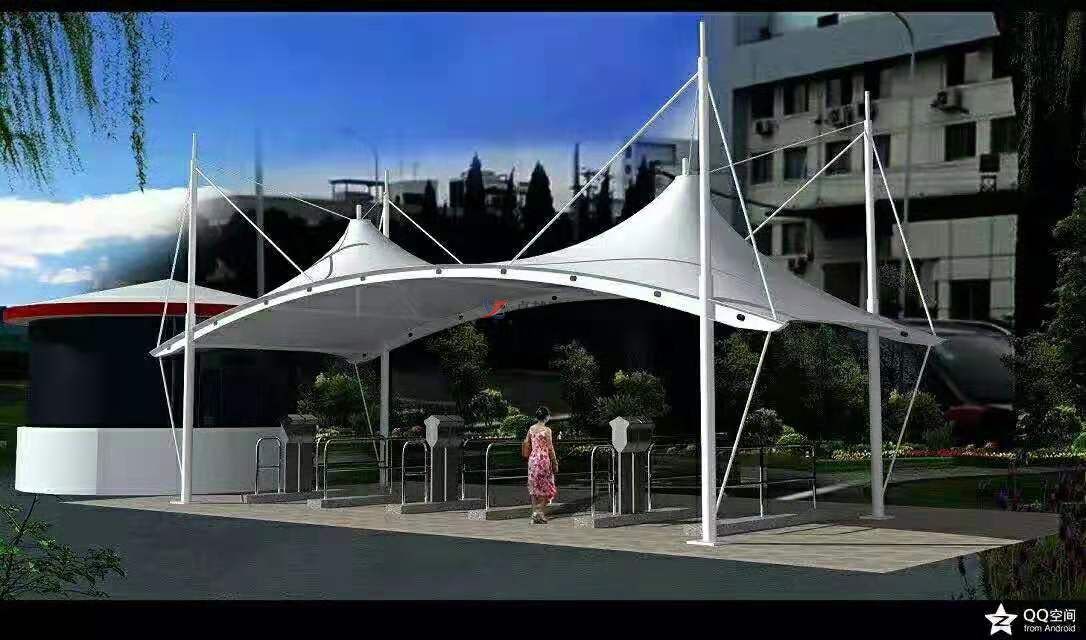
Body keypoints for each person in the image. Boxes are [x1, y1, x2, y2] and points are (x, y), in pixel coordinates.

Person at [522, 405, 558, 524]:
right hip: (543, 460)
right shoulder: (547, 430)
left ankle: (535, 514)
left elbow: (526, 442)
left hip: (532, 460)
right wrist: (555, 462)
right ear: (546, 417)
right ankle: (539, 511)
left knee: (534, 487)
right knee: (547, 487)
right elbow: (550, 448)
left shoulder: (531, 428)